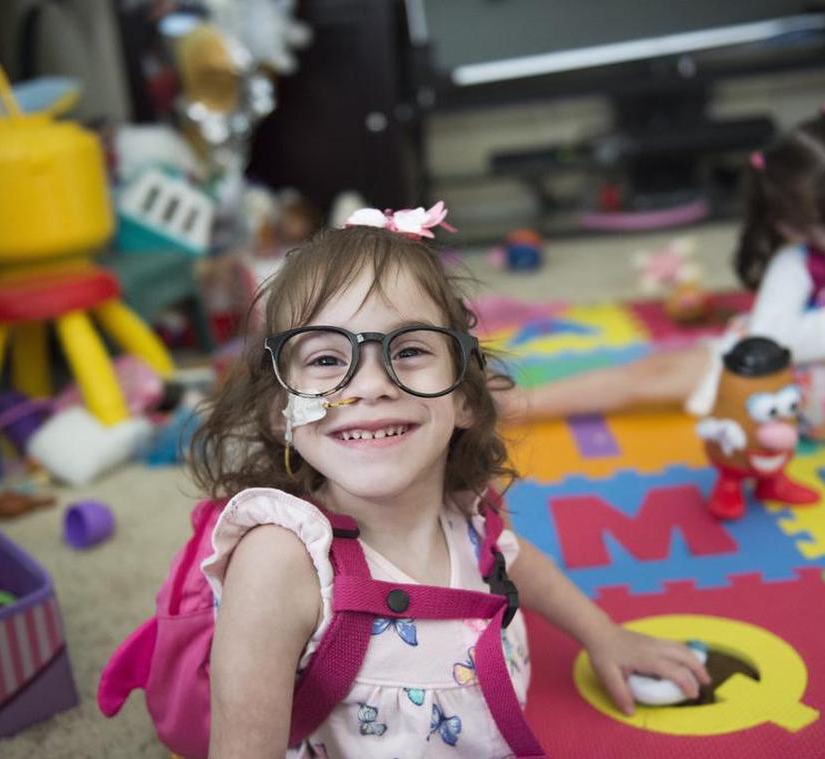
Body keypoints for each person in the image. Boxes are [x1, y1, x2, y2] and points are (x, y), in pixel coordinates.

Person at [192, 214, 710, 757]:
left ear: (464, 398)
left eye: (409, 351)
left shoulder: (469, 515)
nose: (370, 386)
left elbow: (516, 563)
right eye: (325, 359)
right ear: (282, 413)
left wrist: (605, 635)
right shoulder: (279, 563)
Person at [499, 103, 825, 441]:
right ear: (796, 227)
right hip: (787, 387)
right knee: (655, 374)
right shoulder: (799, 263)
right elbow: (768, 340)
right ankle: (519, 403)